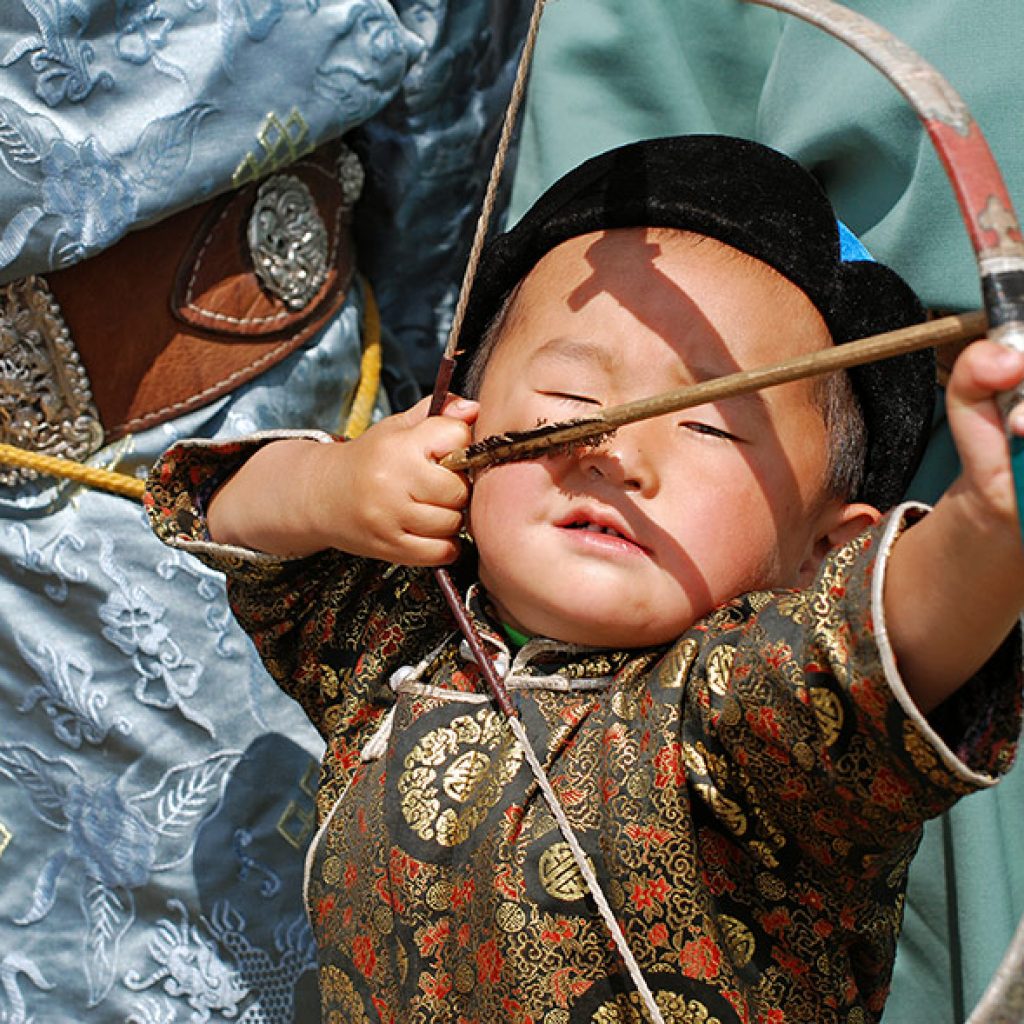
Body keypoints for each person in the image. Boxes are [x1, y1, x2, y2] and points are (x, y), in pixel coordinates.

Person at [145, 135, 1023, 1023]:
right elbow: (213, 511)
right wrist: (337, 487)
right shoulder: (398, 637)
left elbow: (893, 635)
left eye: (711, 426)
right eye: (568, 399)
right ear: (466, 427)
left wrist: (992, 517)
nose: (616, 452)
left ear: (826, 553)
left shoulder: (746, 714)